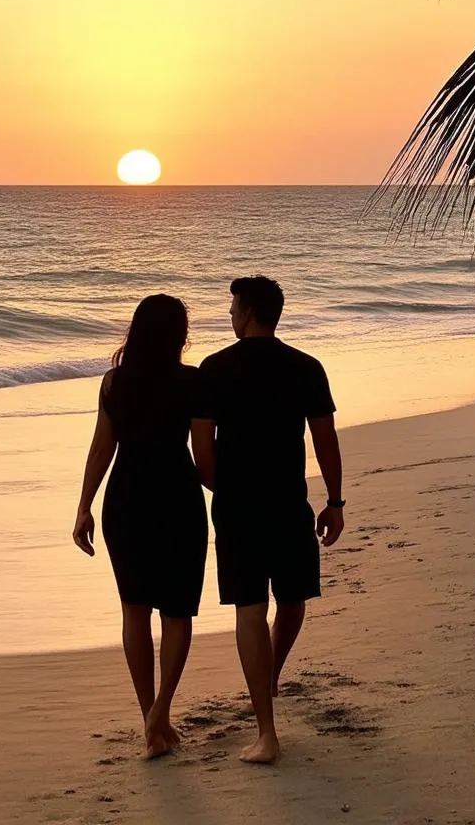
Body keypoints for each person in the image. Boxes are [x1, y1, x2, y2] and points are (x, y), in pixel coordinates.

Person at [193, 276, 345, 765]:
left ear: (250, 311)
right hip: (288, 502)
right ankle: (268, 692)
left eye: (234, 307)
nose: (230, 316)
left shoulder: (214, 369)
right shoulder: (305, 367)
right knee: (293, 598)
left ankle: (266, 722)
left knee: (252, 608)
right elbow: (325, 441)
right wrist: (335, 502)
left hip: (239, 507)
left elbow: (201, 451)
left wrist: (229, 489)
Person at [72, 294, 208, 759]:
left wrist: (83, 507)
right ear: (179, 336)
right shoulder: (192, 382)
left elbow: (100, 449)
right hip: (178, 498)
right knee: (177, 612)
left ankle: (150, 715)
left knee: (134, 610)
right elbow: (205, 454)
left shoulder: (115, 383)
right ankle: (160, 714)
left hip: (126, 500)